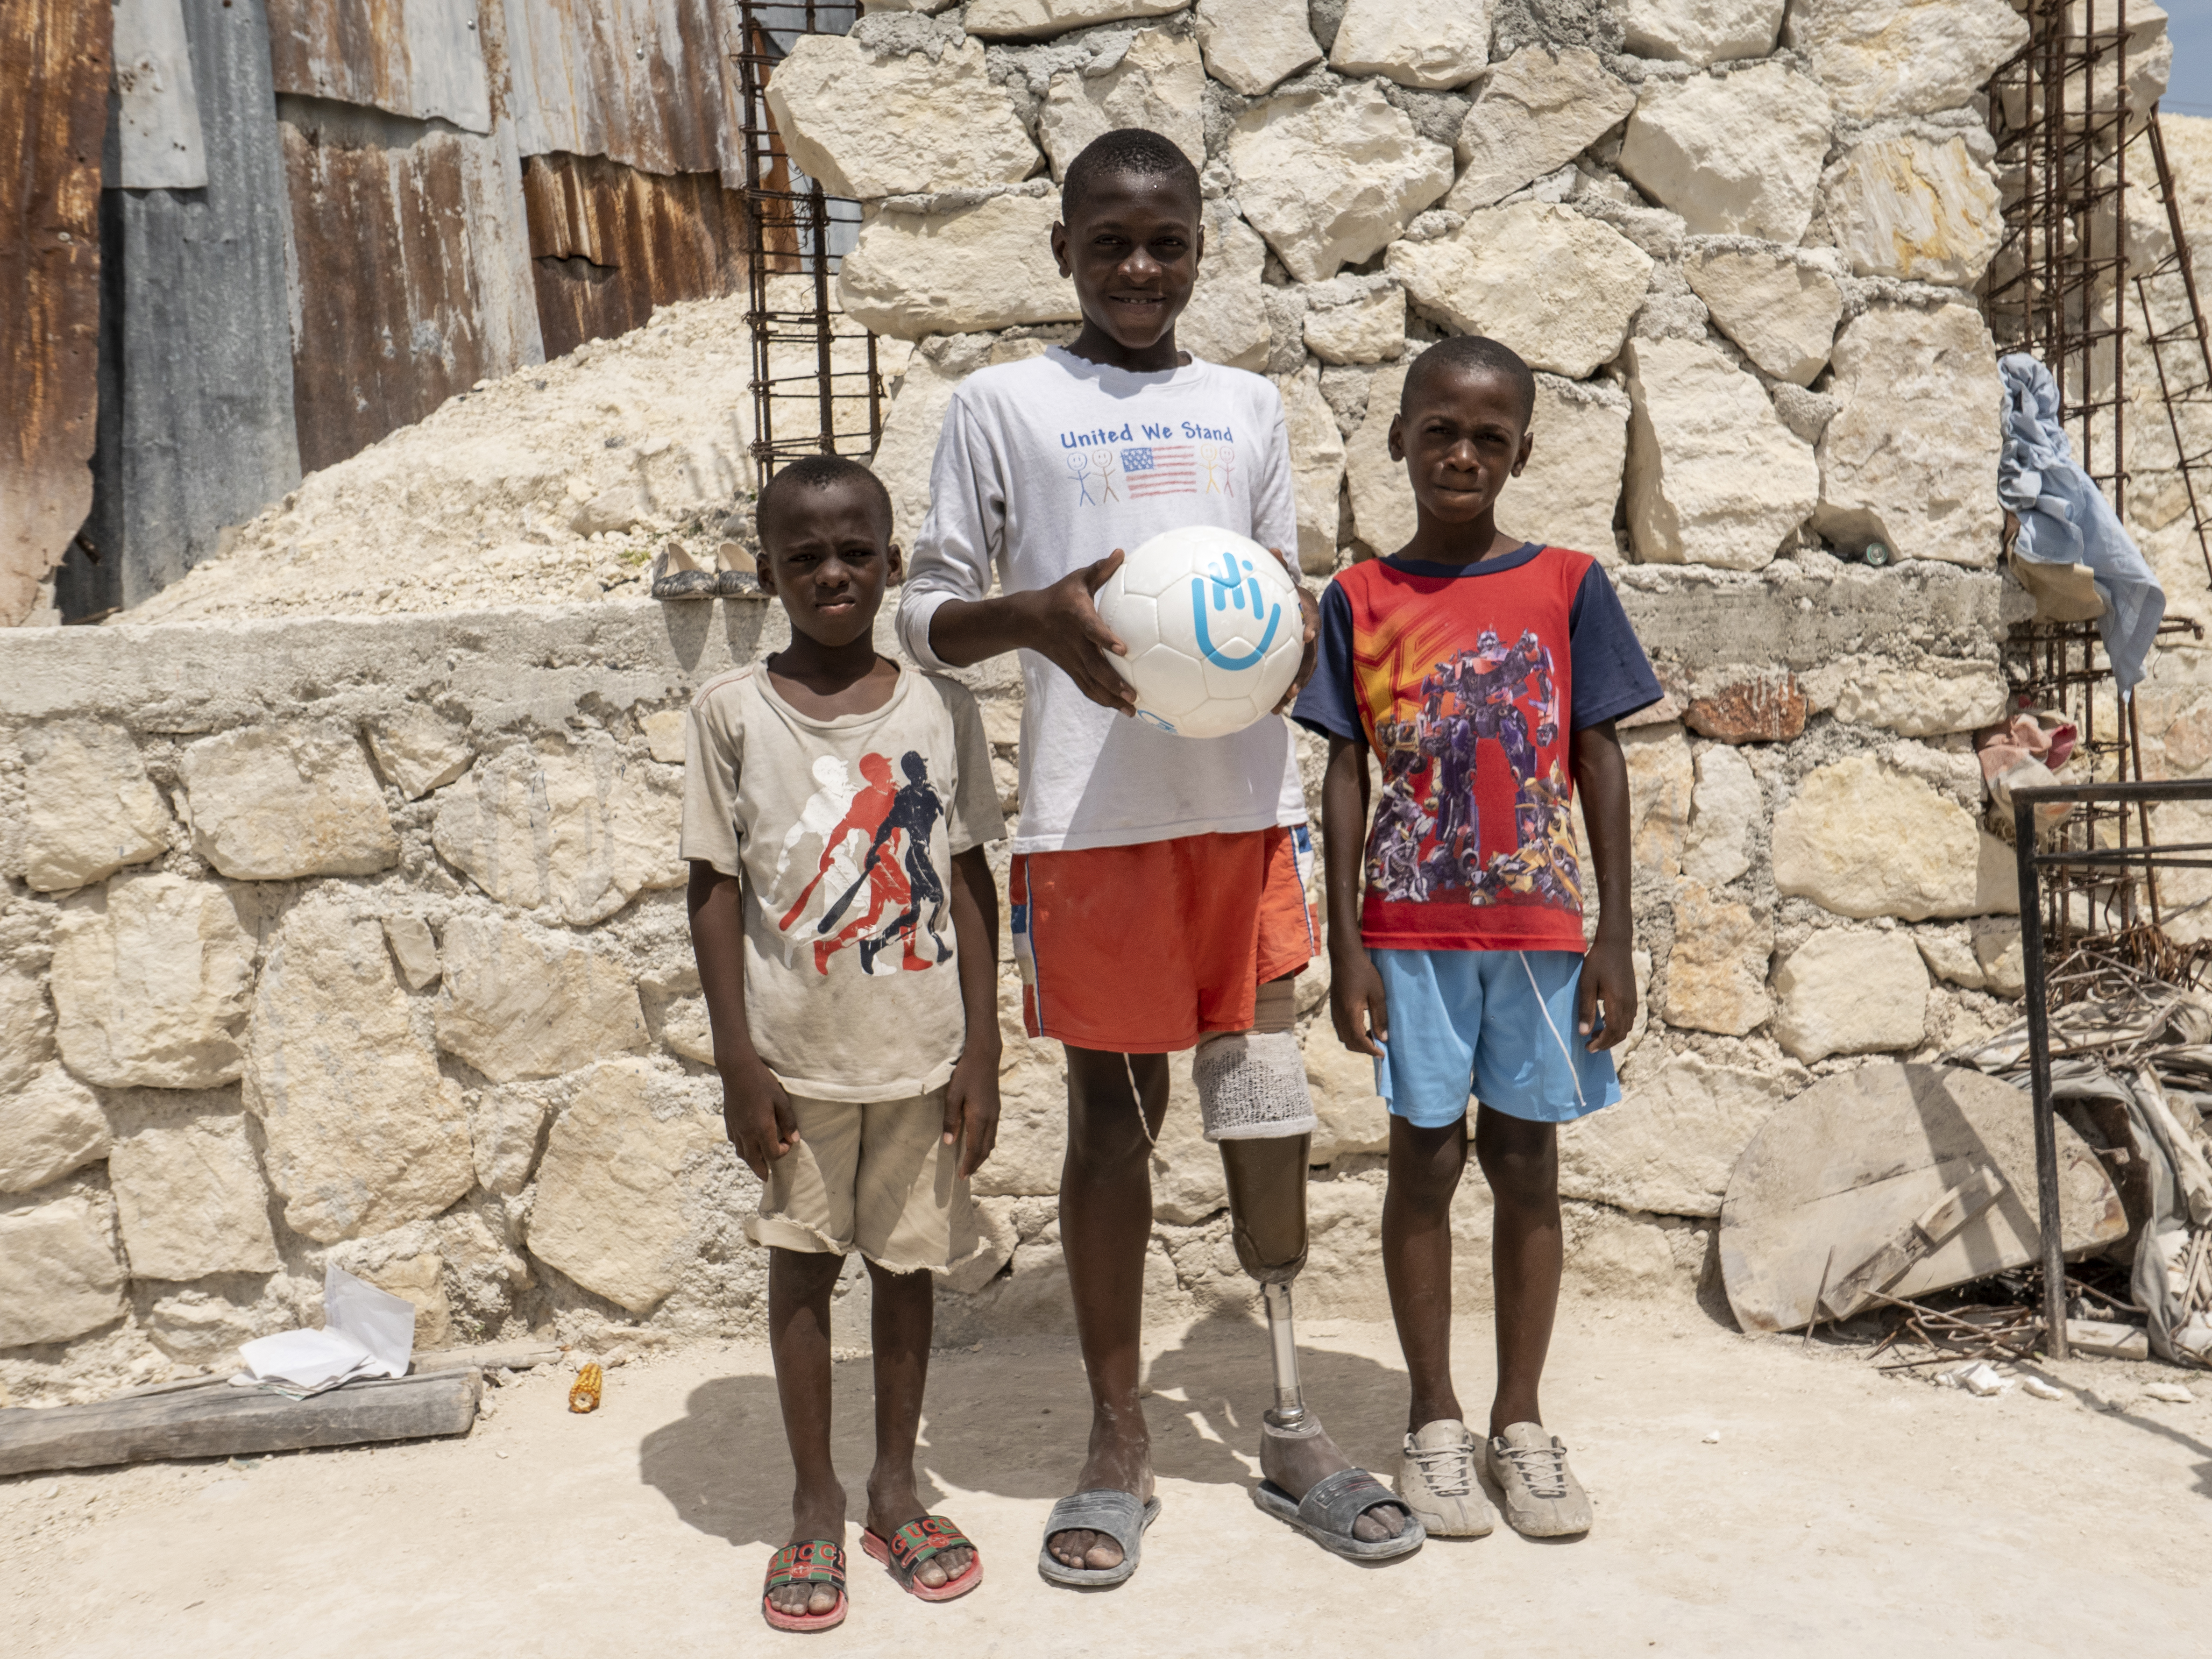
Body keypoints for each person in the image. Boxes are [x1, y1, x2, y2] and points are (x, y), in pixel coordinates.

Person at [896, 127, 1420, 1583]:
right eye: (1110, 241)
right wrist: (1038, 621)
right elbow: (921, 611)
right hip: (1092, 829)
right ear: (1062, 247)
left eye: (1167, 241)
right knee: (1111, 1130)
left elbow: (1271, 596)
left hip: (1238, 820)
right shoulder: (999, 404)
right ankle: (1118, 1432)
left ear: (1202, 249)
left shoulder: (1249, 406)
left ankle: (1293, 1412)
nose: (1140, 267)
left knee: (1262, 1109)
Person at [1292, 335, 1662, 1540]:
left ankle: (1521, 1425)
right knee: (1423, 1164)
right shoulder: (1358, 600)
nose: (1461, 454)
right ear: (1396, 439)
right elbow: (1347, 767)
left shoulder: (1566, 583)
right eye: (1438, 431)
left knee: (1525, 1165)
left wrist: (1611, 930)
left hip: (1540, 928)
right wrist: (1347, 941)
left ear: (1522, 453)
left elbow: (1599, 753)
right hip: (1408, 930)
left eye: (1488, 438)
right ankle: (1435, 1421)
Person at [682, 454, 1007, 1631]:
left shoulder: (939, 707)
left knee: (909, 1269)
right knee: (805, 1270)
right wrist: (735, 1061)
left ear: (892, 562)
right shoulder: (729, 712)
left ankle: (895, 1487)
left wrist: (983, 1050)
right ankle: (815, 1505)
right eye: (803, 555)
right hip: (796, 1060)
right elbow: (713, 893)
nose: (831, 573)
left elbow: (970, 878)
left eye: (853, 552)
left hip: (921, 1054)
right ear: (766, 570)